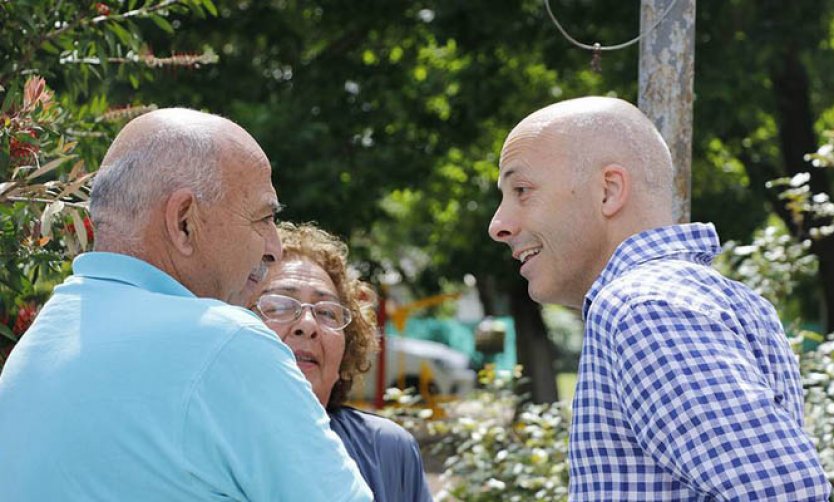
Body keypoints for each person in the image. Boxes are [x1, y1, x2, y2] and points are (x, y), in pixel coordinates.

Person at [0, 108, 372, 501]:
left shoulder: (41, 342)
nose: (274, 249)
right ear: (184, 222)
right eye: (263, 219)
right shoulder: (225, 342)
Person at [488, 97, 831, 500]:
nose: (499, 225)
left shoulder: (642, 308)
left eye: (522, 190)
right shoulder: (708, 298)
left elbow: (782, 492)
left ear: (608, 191)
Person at [253, 221, 433, 502]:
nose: (308, 324)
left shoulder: (386, 449)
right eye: (281, 305)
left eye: (327, 313)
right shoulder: (202, 445)